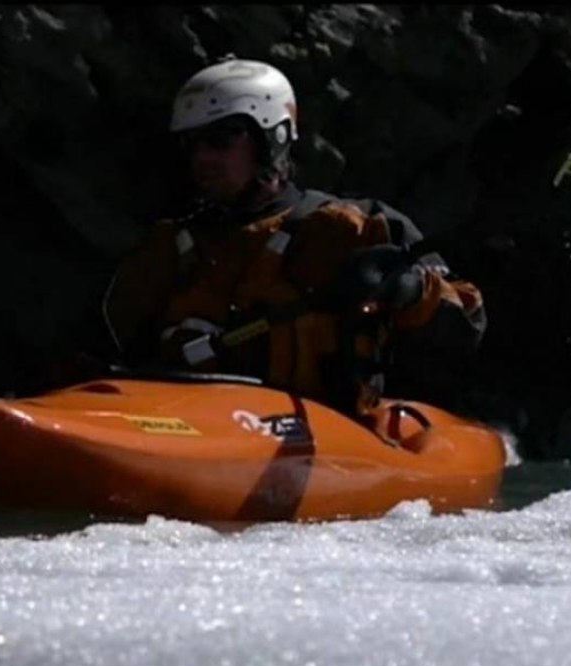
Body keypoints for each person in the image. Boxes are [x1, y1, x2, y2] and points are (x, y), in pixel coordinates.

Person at [100, 56, 486, 418]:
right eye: (193, 142)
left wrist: (409, 288)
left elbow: (469, 321)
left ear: (272, 138)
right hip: (192, 418)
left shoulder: (354, 227)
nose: (202, 157)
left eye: (220, 139)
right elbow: (101, 346)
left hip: (322, 426)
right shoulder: (168, 245)